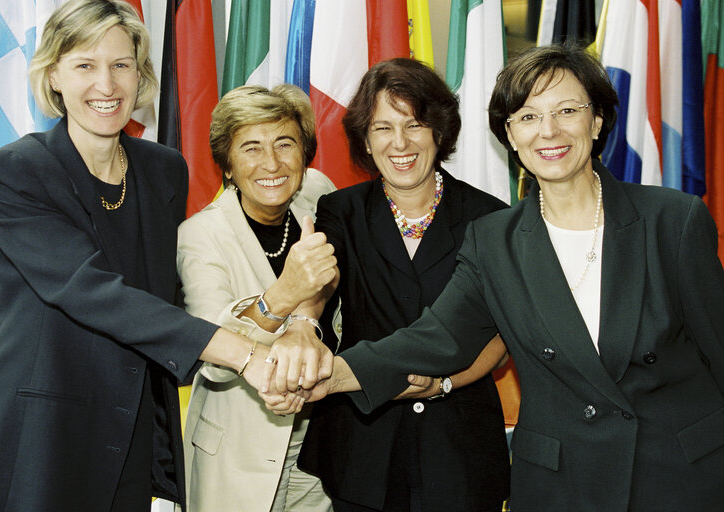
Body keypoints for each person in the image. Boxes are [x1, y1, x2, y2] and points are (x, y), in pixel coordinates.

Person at [291, 43, 724, 510]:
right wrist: (325, 378)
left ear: (597, 122)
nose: (549, 131)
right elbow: (437, 337)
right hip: (562, 487)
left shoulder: (673, 221)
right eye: (528, 117)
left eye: (566, 111)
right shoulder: (494, 240)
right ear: (510, 136)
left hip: (676, 479)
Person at [0, 2, 328, 511]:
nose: (106, 85)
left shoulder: (164, 170)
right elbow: (92, 294)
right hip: (37, 436)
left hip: (130, 434)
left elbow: (166, 301)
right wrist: (247, 357)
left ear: (141, 74)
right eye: (85, 65)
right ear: (54, 77)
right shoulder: (16, 172)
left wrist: (281, 328)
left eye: (121, 65)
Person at [295, 58, 511, 512]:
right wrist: (301, 323)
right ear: (366, 142)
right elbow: (318, 290)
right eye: (382, 128)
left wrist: (445, 383)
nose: (400, 143)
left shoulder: (490, 217)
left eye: (414, 124)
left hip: (461, 446)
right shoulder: (341, 211)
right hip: (364, 445)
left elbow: (501, 333)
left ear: (438, 131)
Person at [176, 84, 336, 512]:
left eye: (286, 144)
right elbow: (213, 360)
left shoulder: (319, 194)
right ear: (227, 165)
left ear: (305, 155)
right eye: (251, 147)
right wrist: (283, 296)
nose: (272, 163)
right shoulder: (200, 236)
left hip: (321, 446)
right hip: (237, 451)